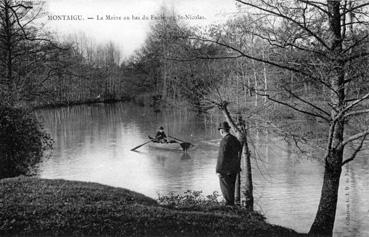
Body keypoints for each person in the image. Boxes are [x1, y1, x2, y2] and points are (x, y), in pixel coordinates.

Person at [216, 121, 242, 206]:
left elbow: (221, 156)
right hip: (234, 168)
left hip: (225, 170)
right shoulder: (234, 139)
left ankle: (229, 206)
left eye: (220, 131)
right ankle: (231, 205)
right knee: (231, 188)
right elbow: (239, 149)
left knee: (225, 188)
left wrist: (218, 170)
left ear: (222, 131)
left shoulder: (224, 141)